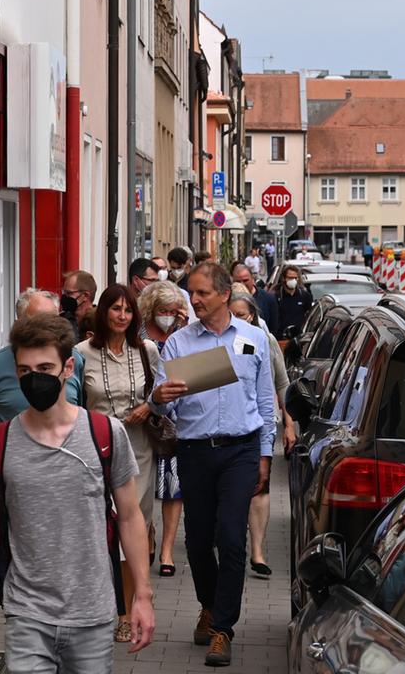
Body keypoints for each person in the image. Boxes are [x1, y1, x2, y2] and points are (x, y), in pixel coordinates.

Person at [0, 313, 154, 671]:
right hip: (26, 613)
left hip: (93, 613)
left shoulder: (105, 435)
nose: (34, 379)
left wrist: (141, 595)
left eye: (45, 368)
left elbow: (130, 517)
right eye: (24, 371)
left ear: (68, 368)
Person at [151, 263, 276, 667]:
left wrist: (265, 454)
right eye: (193, 293)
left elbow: (266, 401)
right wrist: (161, 396)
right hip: (195, 450)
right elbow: (160, 401)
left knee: (232, 537)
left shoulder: (254, 338)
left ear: (224, 294)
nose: (195, 300)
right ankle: (208, 605)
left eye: (202, 292)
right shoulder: (178, 344)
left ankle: (223, 627)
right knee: (200, 540)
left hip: (241, 449)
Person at [77, 285, 162, 644]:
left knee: (133, 529)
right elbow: (75, 399)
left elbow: (161, 391)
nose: (122, 316)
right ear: (103, 312)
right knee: (100, 531)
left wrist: (151, 406)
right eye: (115, 309)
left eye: (128, 310)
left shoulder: (147, 351)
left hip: (138, 450)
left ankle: (126, 611)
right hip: (96, 450)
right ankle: (101, 606)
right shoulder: (81, 353)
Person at [228, 290, 294, 579]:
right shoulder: (217, 340)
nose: (236, 321)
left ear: (253, 315)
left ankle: (257, 551)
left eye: (241, 315)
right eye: (231, 315)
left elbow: (281, 383)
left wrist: (288, 424)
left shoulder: (260, 341)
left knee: (260, 487)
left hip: (258, 423)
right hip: (229, 425)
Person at [0, 289, 86, 430]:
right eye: (37, 322)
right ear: (19, 323)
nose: (45, 329)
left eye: (52, 321)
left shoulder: (74, 359)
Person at [139, 280, 188, 578]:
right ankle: (147, 532)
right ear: (150, 309)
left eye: (172, 310)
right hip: (141, 416)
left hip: (172, 420)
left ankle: (168, 549)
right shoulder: (138, 333)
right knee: (143, 486)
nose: (167, 315)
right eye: (162, 310)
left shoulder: (183, 337)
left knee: (172, 487)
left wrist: (180, 330)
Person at [231, 260, 279, 336]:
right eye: (238, 281)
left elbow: (274, 329)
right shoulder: (225, 301)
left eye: (245, 280)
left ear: (252, 279)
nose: (242, 284)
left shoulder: (268, 298)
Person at [273, 264, 314, 341]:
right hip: (281, 339)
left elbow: (309, 315)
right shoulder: (277, 296)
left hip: (299, 338)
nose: (293, 280)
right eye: (290, 278)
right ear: (284, 278)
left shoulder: (304, 296)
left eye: (295, 278)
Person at [62, 270, 99, 337]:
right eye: (64, 292)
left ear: (85, 296)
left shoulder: (102, 321)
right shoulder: (61, 322)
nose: (65, 297)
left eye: (69, 293)